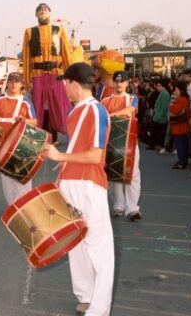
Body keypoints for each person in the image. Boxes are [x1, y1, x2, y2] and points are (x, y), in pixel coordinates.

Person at [42, 63, 113, 316]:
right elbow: (76, 149)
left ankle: (99, 309)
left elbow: (95, 156)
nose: (63, 87)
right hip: (72, 183)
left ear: (73, 83)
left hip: (90, 184)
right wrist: (61, 176)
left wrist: (60, 157)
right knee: (76, 243)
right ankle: (85, 296)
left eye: (65, 83)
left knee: (98, 248)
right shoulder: (76, 111)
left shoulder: (96, 110)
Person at [21, 3, 72, 137]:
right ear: (36, 14)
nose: (43, 10)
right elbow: (26, 58)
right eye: (40, 9)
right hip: (38, 75)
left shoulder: (59, 30)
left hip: (56, 74)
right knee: (38, 106)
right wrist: (27, 82)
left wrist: (71, 78)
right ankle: (38, 136)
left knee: (60, 105)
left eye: (46, 9)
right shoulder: (29, 32)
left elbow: (66, 54)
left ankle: (66, 132)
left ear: (50, 13)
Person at [0, 72, 37, 205]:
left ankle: (25, 204)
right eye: (11, 81)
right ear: (7, 83)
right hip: (2, 142)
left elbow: (35, 122)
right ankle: (12, 205)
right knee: (7, 176)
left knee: (23, 174)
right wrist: (0, 130)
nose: (14, 84)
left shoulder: (26, 101)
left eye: (17, 81)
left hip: (22, 143)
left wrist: (24, 120)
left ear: (21, 84)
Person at [101, 71, 141, 221]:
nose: (119, 84)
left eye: (122, 81)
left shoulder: (132, 98)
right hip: (111, 143)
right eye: (116, 81)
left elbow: (131, 110)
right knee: (113, 175)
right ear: (113, 83)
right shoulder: (105, 101)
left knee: (133, 174)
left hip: (130, 143)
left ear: (126, 83)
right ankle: (118, 204)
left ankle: (133, 208)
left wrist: (112, 115)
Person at [168, 81, 191, 169]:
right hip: (182, 125)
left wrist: (171, 105)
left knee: (180, 144)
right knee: (183, 144)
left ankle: (182, 162)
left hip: (180, 125)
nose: (174, 92)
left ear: (181, 90)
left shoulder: (181, 99)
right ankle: (183, 160)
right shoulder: (184, 99)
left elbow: (176, 110)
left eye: (176, 90)